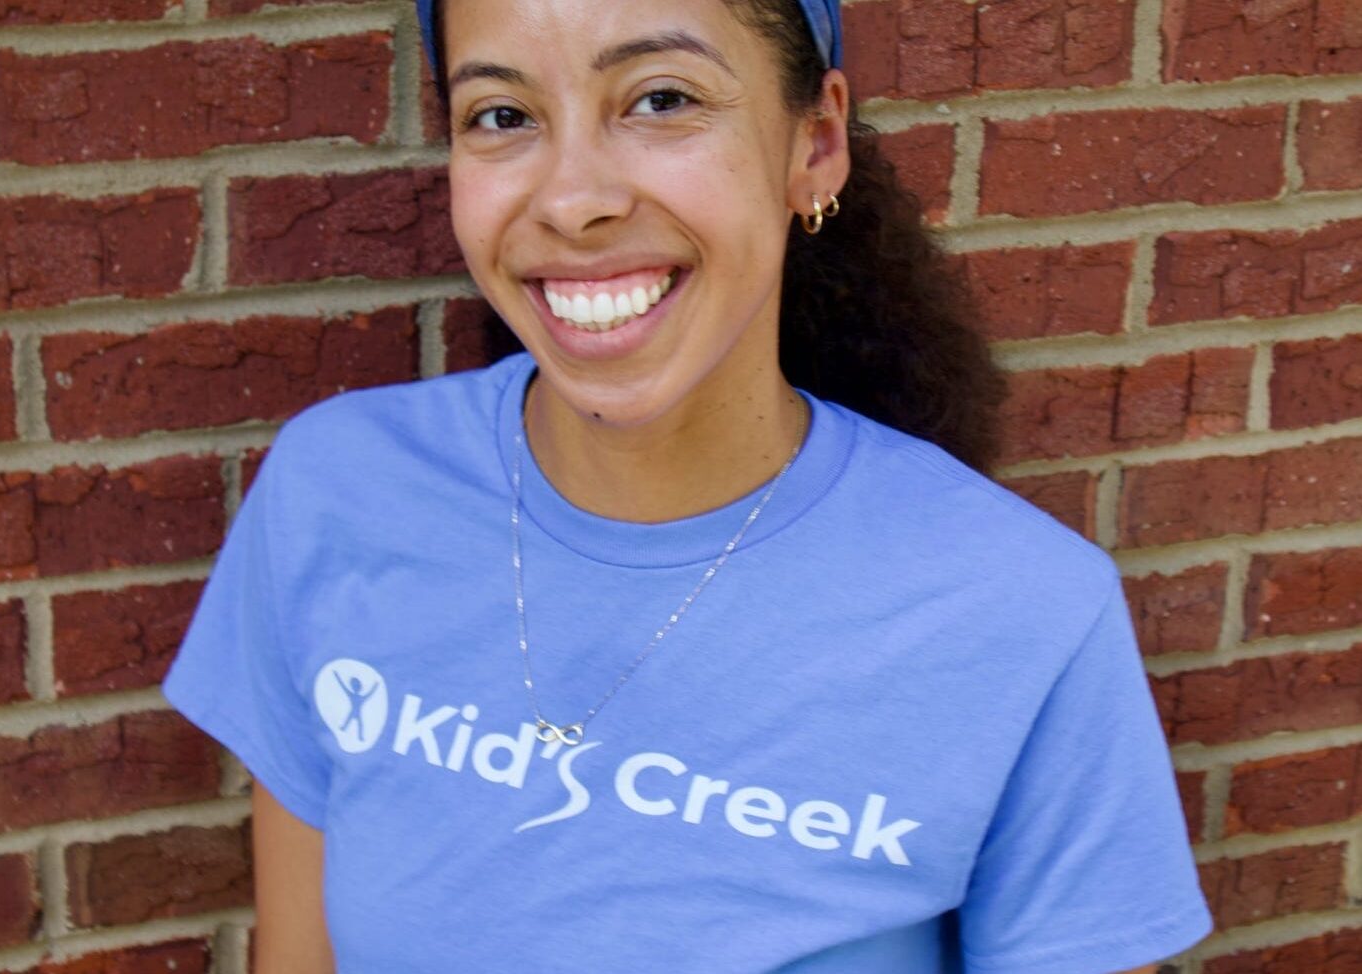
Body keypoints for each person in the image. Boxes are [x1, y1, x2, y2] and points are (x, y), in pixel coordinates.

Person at [159, 0, 1216, 971]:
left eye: (662, 99)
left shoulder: (1023, 609)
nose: (573, 199)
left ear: (815, 143)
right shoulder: (337, 492)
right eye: (500, 114)